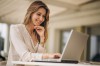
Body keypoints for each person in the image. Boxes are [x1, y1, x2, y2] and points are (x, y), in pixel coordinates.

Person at [6, 0, 61, 66]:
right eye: (38, 14)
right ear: (31, 13)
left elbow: (39, 60)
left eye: (43, 16)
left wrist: (42, 38)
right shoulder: (16, 29)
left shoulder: (38, 33)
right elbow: (25, 57)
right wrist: (49, 55)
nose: (41, 19)